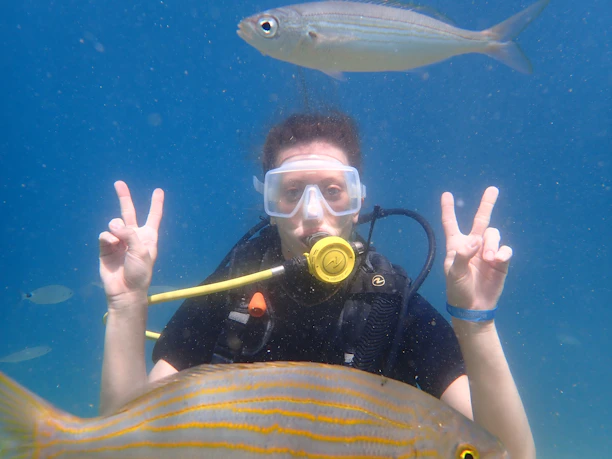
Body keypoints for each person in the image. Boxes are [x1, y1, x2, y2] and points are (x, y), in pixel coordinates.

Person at [98, 112, 535, 458]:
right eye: (291, 193)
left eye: (332, 190)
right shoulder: (231, 288)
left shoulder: (388, 301)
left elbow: (509, 455)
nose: (312, 212)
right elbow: (120, 443)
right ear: (270, 205)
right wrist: (126, 302)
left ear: (358, 200)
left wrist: (477, 319)